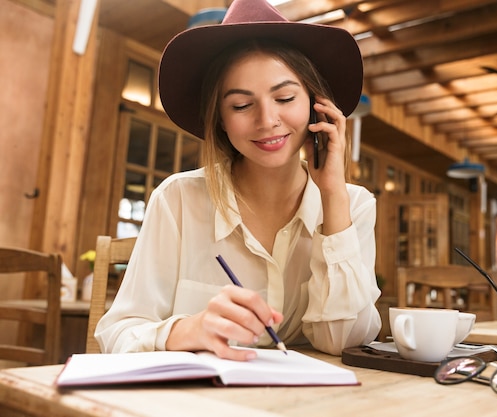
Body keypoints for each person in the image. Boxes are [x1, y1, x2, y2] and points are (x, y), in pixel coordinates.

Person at [95, 0, 381, 361]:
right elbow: (116, 333)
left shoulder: (354, 205)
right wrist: (189, 328)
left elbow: (343, 341)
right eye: (242, 106)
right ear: (220, 120)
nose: (267, 119)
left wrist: (333, 195)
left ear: (316, 105)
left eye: (285, 97)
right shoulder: (177, 200)